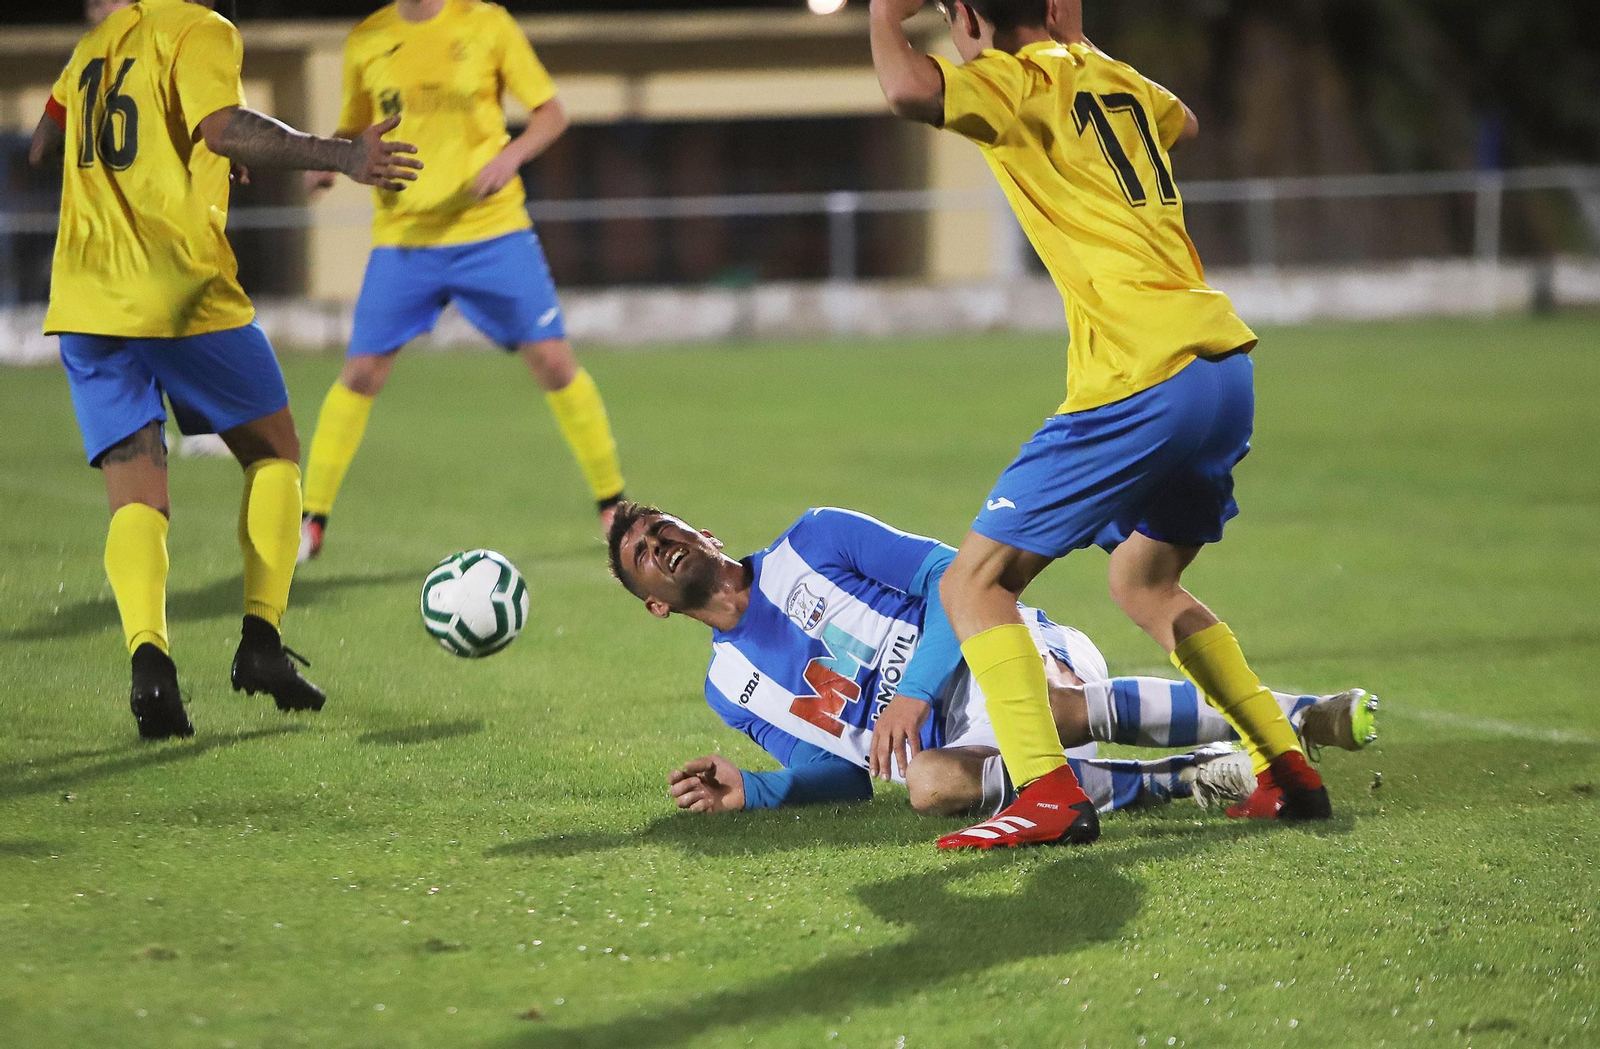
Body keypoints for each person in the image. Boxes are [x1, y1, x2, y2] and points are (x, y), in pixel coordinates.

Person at [869, 0, 1334, 849]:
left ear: (968, 15)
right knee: (1143, 582)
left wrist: (886, 13)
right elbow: (1182, 120)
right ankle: (1285, 763)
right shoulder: (1112, 77)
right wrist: (1074, 40)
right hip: (1223, 367)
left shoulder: (1006, 84)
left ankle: (1046, 792)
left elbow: (904, 89)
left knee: (972, 584)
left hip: (1139, 375)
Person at [32, 0, 422, 739]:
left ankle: (150, 663)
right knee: (275, 450)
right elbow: (225, 126)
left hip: (84, 299)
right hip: (175, 292)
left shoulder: (92, 46)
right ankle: (261, 643)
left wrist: (162, 158)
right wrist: (343, 155)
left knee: (135, 489)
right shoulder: (199, 27)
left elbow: (42, 144)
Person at [605, 502, 1376, 823]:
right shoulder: (728, 687)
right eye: (640, 551)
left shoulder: (815, 538)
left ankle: (1296, 714)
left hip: (999, 651)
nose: (657, 544)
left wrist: (910, 689)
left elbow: (961, 581)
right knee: (927, 786)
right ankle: (1198, 775)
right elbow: (844, 773)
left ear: (702, 532)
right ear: (654, 604)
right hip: (961, 747)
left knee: (1051, 704)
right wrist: (761, 788)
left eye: (661, 526)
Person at [295, 0, 627, 564]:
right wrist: (332, 159)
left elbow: (551, 112)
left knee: (552, 362)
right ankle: (311, 522)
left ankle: (613, 505)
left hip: (491, 231)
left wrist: (511, 157)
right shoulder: (368, 38)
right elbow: (355, 129)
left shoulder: (486, 24)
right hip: (405, 237)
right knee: (361, 373)